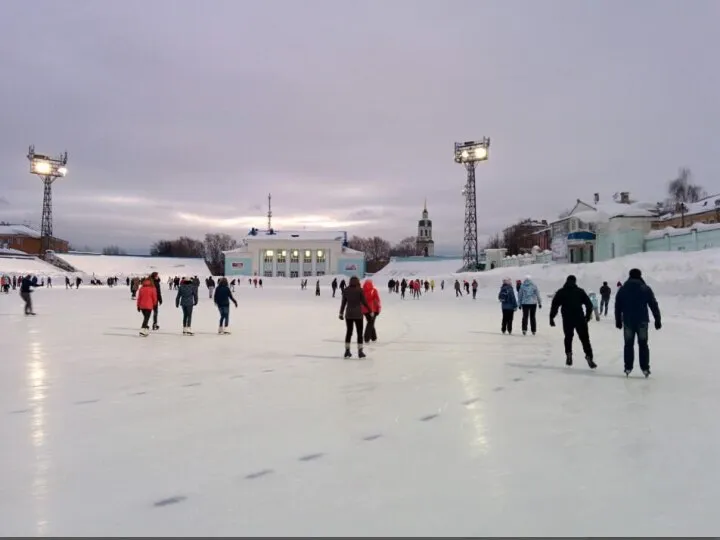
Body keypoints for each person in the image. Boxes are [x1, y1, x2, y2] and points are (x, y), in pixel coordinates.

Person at [615, 268, 661, 377]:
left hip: (628, 321)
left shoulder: (623, 289)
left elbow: (618, 306)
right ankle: (645, 368)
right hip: (642, 321)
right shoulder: (645, 288)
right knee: (643, 345)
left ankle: (628, 367)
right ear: (640, 276)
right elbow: (653, 304)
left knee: (628, 345)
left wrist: (618, 320)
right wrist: (657, 319)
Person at [549, 275, 596, 368]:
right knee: (585, 339)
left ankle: (569, 355)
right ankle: (589, 356)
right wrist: (587, 316)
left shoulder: (561, 292)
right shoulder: (580, 291)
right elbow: (589, 304)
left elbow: (555, 305)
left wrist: (552, 317)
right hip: (579, 318)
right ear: (575, 282)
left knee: (568, 337)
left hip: (567, 319)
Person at [339, 276, 371, 358]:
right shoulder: (360, 290)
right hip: (358, 315)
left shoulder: (346, 290)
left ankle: (347, 351)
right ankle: (360, 352)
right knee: (359, 333)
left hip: (348, 314)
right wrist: (370, 310)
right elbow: (364, 302)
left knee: (349, 332)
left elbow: (343, 303)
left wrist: (341, 313)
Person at [361, 278, 382, 343]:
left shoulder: (362, 291)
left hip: (365, 310)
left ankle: (374, 337)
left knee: (370, 323)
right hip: (373, 310)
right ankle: (366, 338)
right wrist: (378, 309)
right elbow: (377, 300)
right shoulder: (374, 290)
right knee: (370, 323)